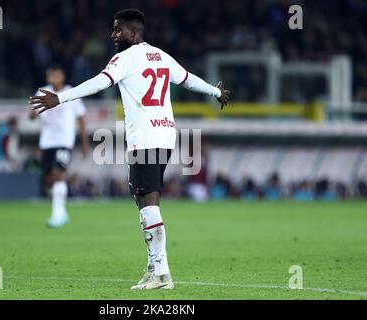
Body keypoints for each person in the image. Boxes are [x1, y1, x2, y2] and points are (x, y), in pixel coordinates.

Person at [29, 9, 229, 290]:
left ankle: (162, 273)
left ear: (133, 33)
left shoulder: (124, 58)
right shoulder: (161, 55)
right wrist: (216, 92)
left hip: (145, 136)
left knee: (149, 202)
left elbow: (99, 82)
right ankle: (153, 268)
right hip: (165, 134)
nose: (113, 35)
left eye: (118, 30)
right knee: (143, 200)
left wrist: (60, 98)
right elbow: (188, 79)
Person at [30, 65, 89, 228]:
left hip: (64, 141)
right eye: (49, 75)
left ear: (62, 76)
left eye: (55, 75)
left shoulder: (71, 92)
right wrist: (32, 112)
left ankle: (57, 214)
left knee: (58, 174)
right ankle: (62, 213)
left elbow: (81, 118)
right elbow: (32, 115)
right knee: (48, 179)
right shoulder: (43, 92)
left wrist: (84, 143)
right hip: (47, 142)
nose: (52, 78)